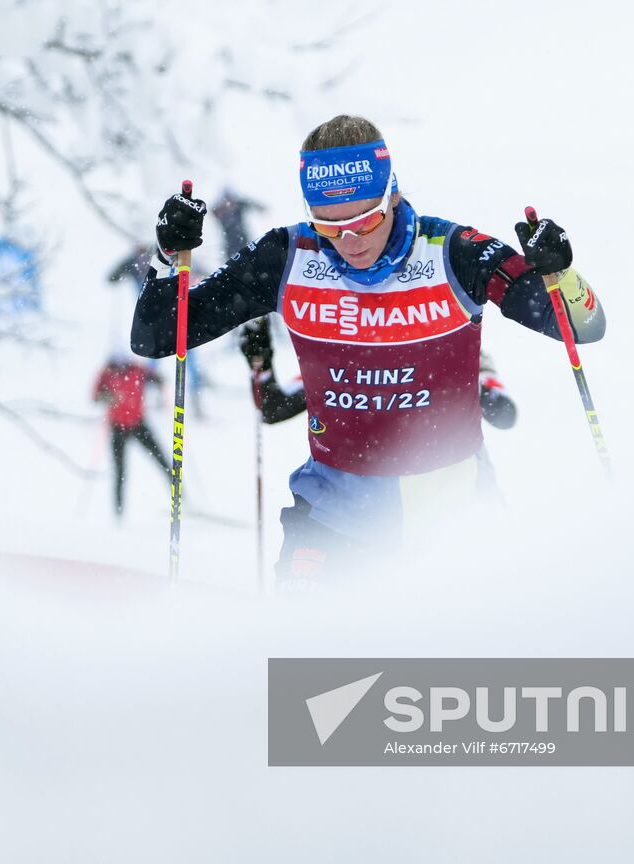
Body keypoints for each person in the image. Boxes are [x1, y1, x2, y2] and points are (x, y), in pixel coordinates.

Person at [131, 114, 605, 585]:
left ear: (392, 195)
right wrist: (169, 256)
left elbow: (582, 327)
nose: (350, 241)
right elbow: (156, 336)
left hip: (454, 521)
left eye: (365, 219)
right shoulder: (289, 256)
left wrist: (559, 271)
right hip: (334, 518)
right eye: (329, 226)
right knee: (309, 658)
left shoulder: (453, 252)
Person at [237, 315, 518, 430]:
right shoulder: (352, 361)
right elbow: (273, 408)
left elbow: (504, 413)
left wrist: (449, 379)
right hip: (363, 501)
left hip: (450, 492)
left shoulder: (449, 348)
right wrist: (259, 357)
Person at [92, 354, 170, 518]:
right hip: (118, 427)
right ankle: (118, 511)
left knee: (161, 459)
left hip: (138, 423)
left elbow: (157, 378)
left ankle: (180, 495)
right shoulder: (107, 373)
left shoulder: (137, 369)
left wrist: (159, 381)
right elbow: (95, 396)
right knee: (120, 471)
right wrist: (109, 397)